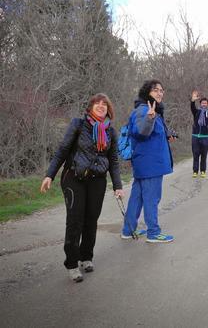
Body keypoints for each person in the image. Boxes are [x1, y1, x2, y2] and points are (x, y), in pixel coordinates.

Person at [40, 93, 124, 283]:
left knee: (91, 219)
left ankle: (86, 257)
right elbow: (62, 150)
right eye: (97, 103)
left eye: (105, 104)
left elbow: (113, 160)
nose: (101, 106)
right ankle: (71, 263)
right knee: (75, 220)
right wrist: (49, 175)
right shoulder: (78, 124)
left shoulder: (110, 131)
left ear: (108, 109)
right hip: (74, 178)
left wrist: (117, 186)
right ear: (90, 107)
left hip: (98, 180)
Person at [120, 79, 175, 244]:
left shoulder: (150, 111)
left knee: (137, 197)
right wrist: (150, 119)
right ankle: (153, 232)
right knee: (152, 198)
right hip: (150, 164)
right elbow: (141, 132)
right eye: (155, 90)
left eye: (161, 90)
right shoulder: (144, 111)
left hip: (145, 163)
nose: (160, 93)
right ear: (147, 93)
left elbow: (151, 134)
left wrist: (166, 134)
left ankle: (128, 230)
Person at [190, 90, 208, 178]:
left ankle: (203, 171)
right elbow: (192, 107)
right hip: (195, 136)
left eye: (205, 103)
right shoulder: (197, 112)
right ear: (200, 104)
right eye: (202, 103)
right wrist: (192, 100)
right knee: (195, 154)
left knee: (204, 155)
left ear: (207, 104)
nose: (204, 104)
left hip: (206, 137)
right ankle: (195, 171)